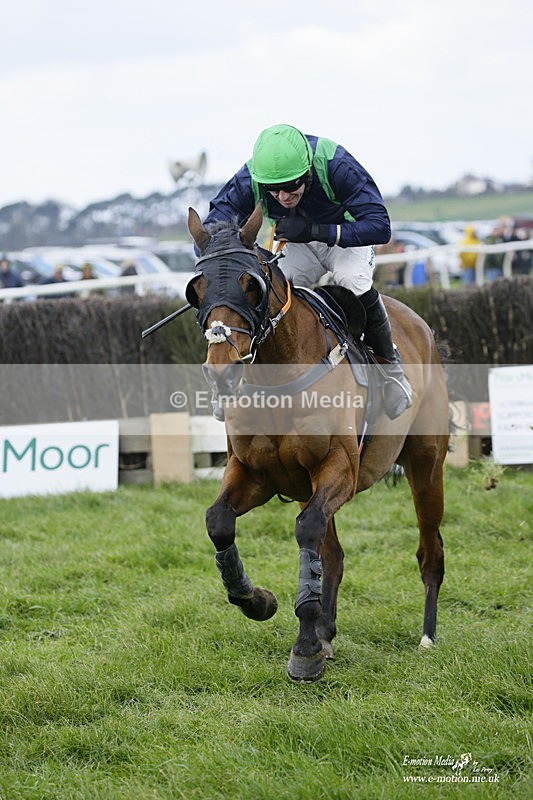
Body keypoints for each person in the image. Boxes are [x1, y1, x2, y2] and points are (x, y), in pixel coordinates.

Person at [203, 123, 411, 419]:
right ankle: (235, 383)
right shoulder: (252, 177)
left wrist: (317, 230)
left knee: (352, 281)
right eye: (274, 190)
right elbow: (214, 224)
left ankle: (391, 370)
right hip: (296, 244)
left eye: (291, 186)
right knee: (270, 293)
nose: (283, 196)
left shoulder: (336, 165)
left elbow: (380, 226)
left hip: (345, 236)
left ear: (308, 172)